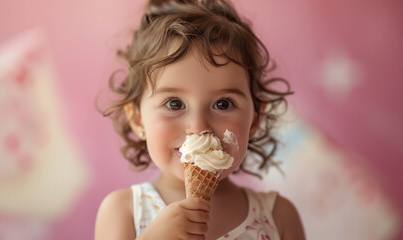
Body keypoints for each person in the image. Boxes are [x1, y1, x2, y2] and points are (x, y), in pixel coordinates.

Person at [95, 0, 305, 239]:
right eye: (174, 104)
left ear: (254, 119)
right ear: (138, 120)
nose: (198, 128)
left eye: (223, 104)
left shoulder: (279, 217)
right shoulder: (123, 211)